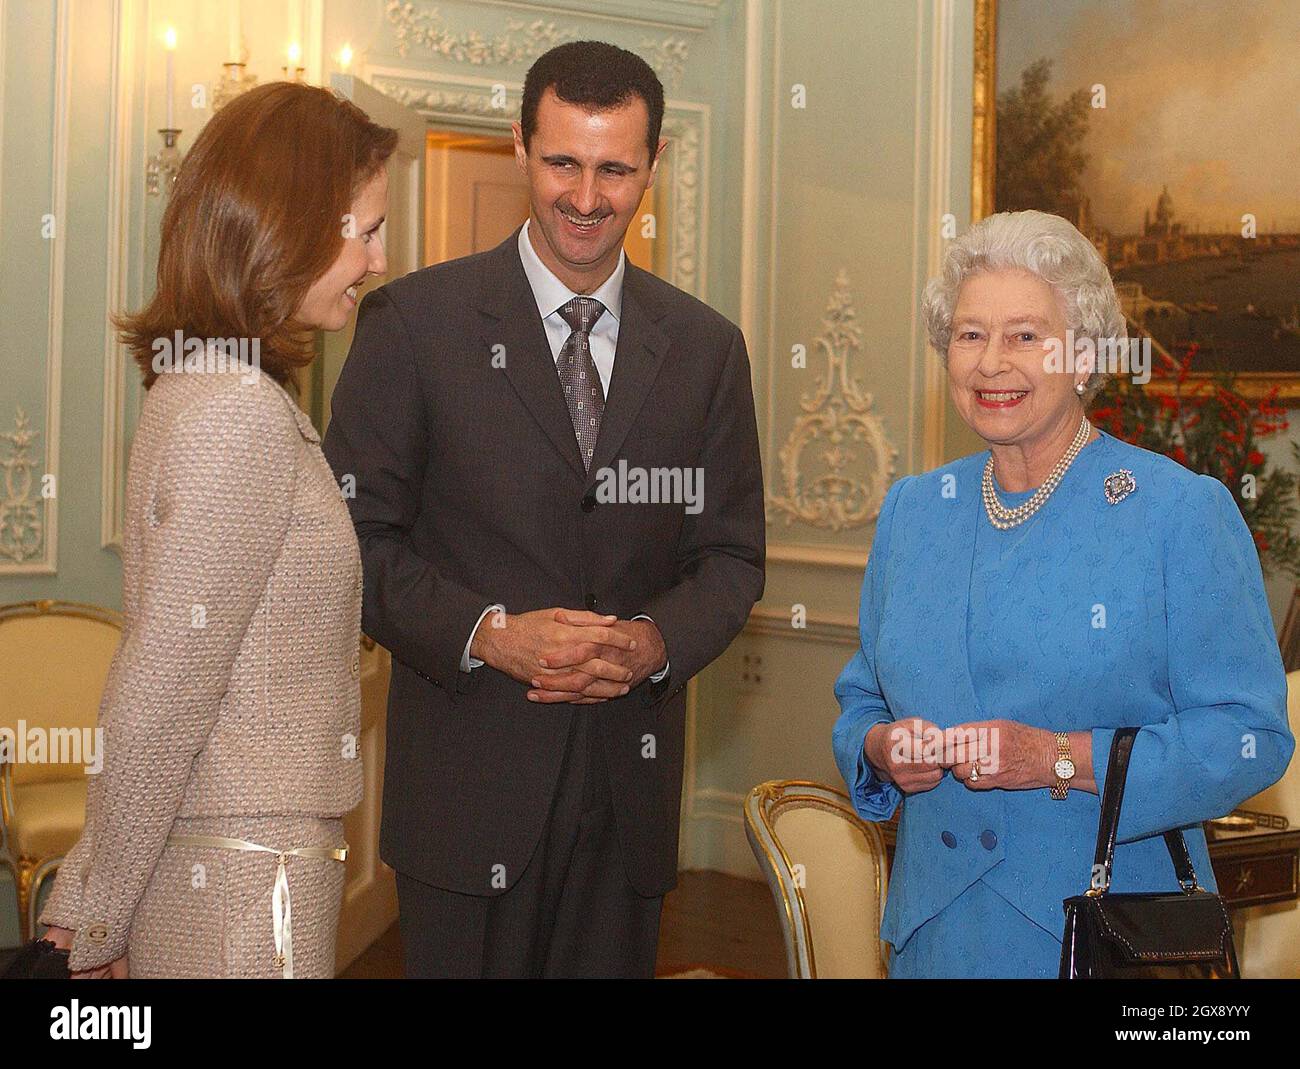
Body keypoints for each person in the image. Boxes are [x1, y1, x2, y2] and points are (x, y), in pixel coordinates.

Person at [323, 40, 765, 978]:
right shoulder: (413, 324)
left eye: (615, 168)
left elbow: (731, 559)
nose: (587, 195)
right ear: (520, 148)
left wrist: (652, 641)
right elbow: (352, 542)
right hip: (464, 790)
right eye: (563, 161)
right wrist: (487, 631)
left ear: (654, 167)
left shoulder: (706, 349)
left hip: (628, 797)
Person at [832, 209, 1293, 978]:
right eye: (970, 335)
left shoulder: (1177, 512)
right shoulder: (915, 510)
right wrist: (882, 748)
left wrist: (1052, 757)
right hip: (934, 936)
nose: (990, 363)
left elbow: (1251, 736)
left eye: (1024, 335)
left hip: (1100, 939)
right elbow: (862, 699)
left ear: (1082, 356)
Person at [39, 82, 396, 978]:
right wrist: (93, 913)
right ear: (290, 225)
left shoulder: (201, 387)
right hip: (242, 868)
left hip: (221, 854)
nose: (379, 258)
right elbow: (164, 683)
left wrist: (102, 897)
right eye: (364, 229)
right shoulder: (234, 409)